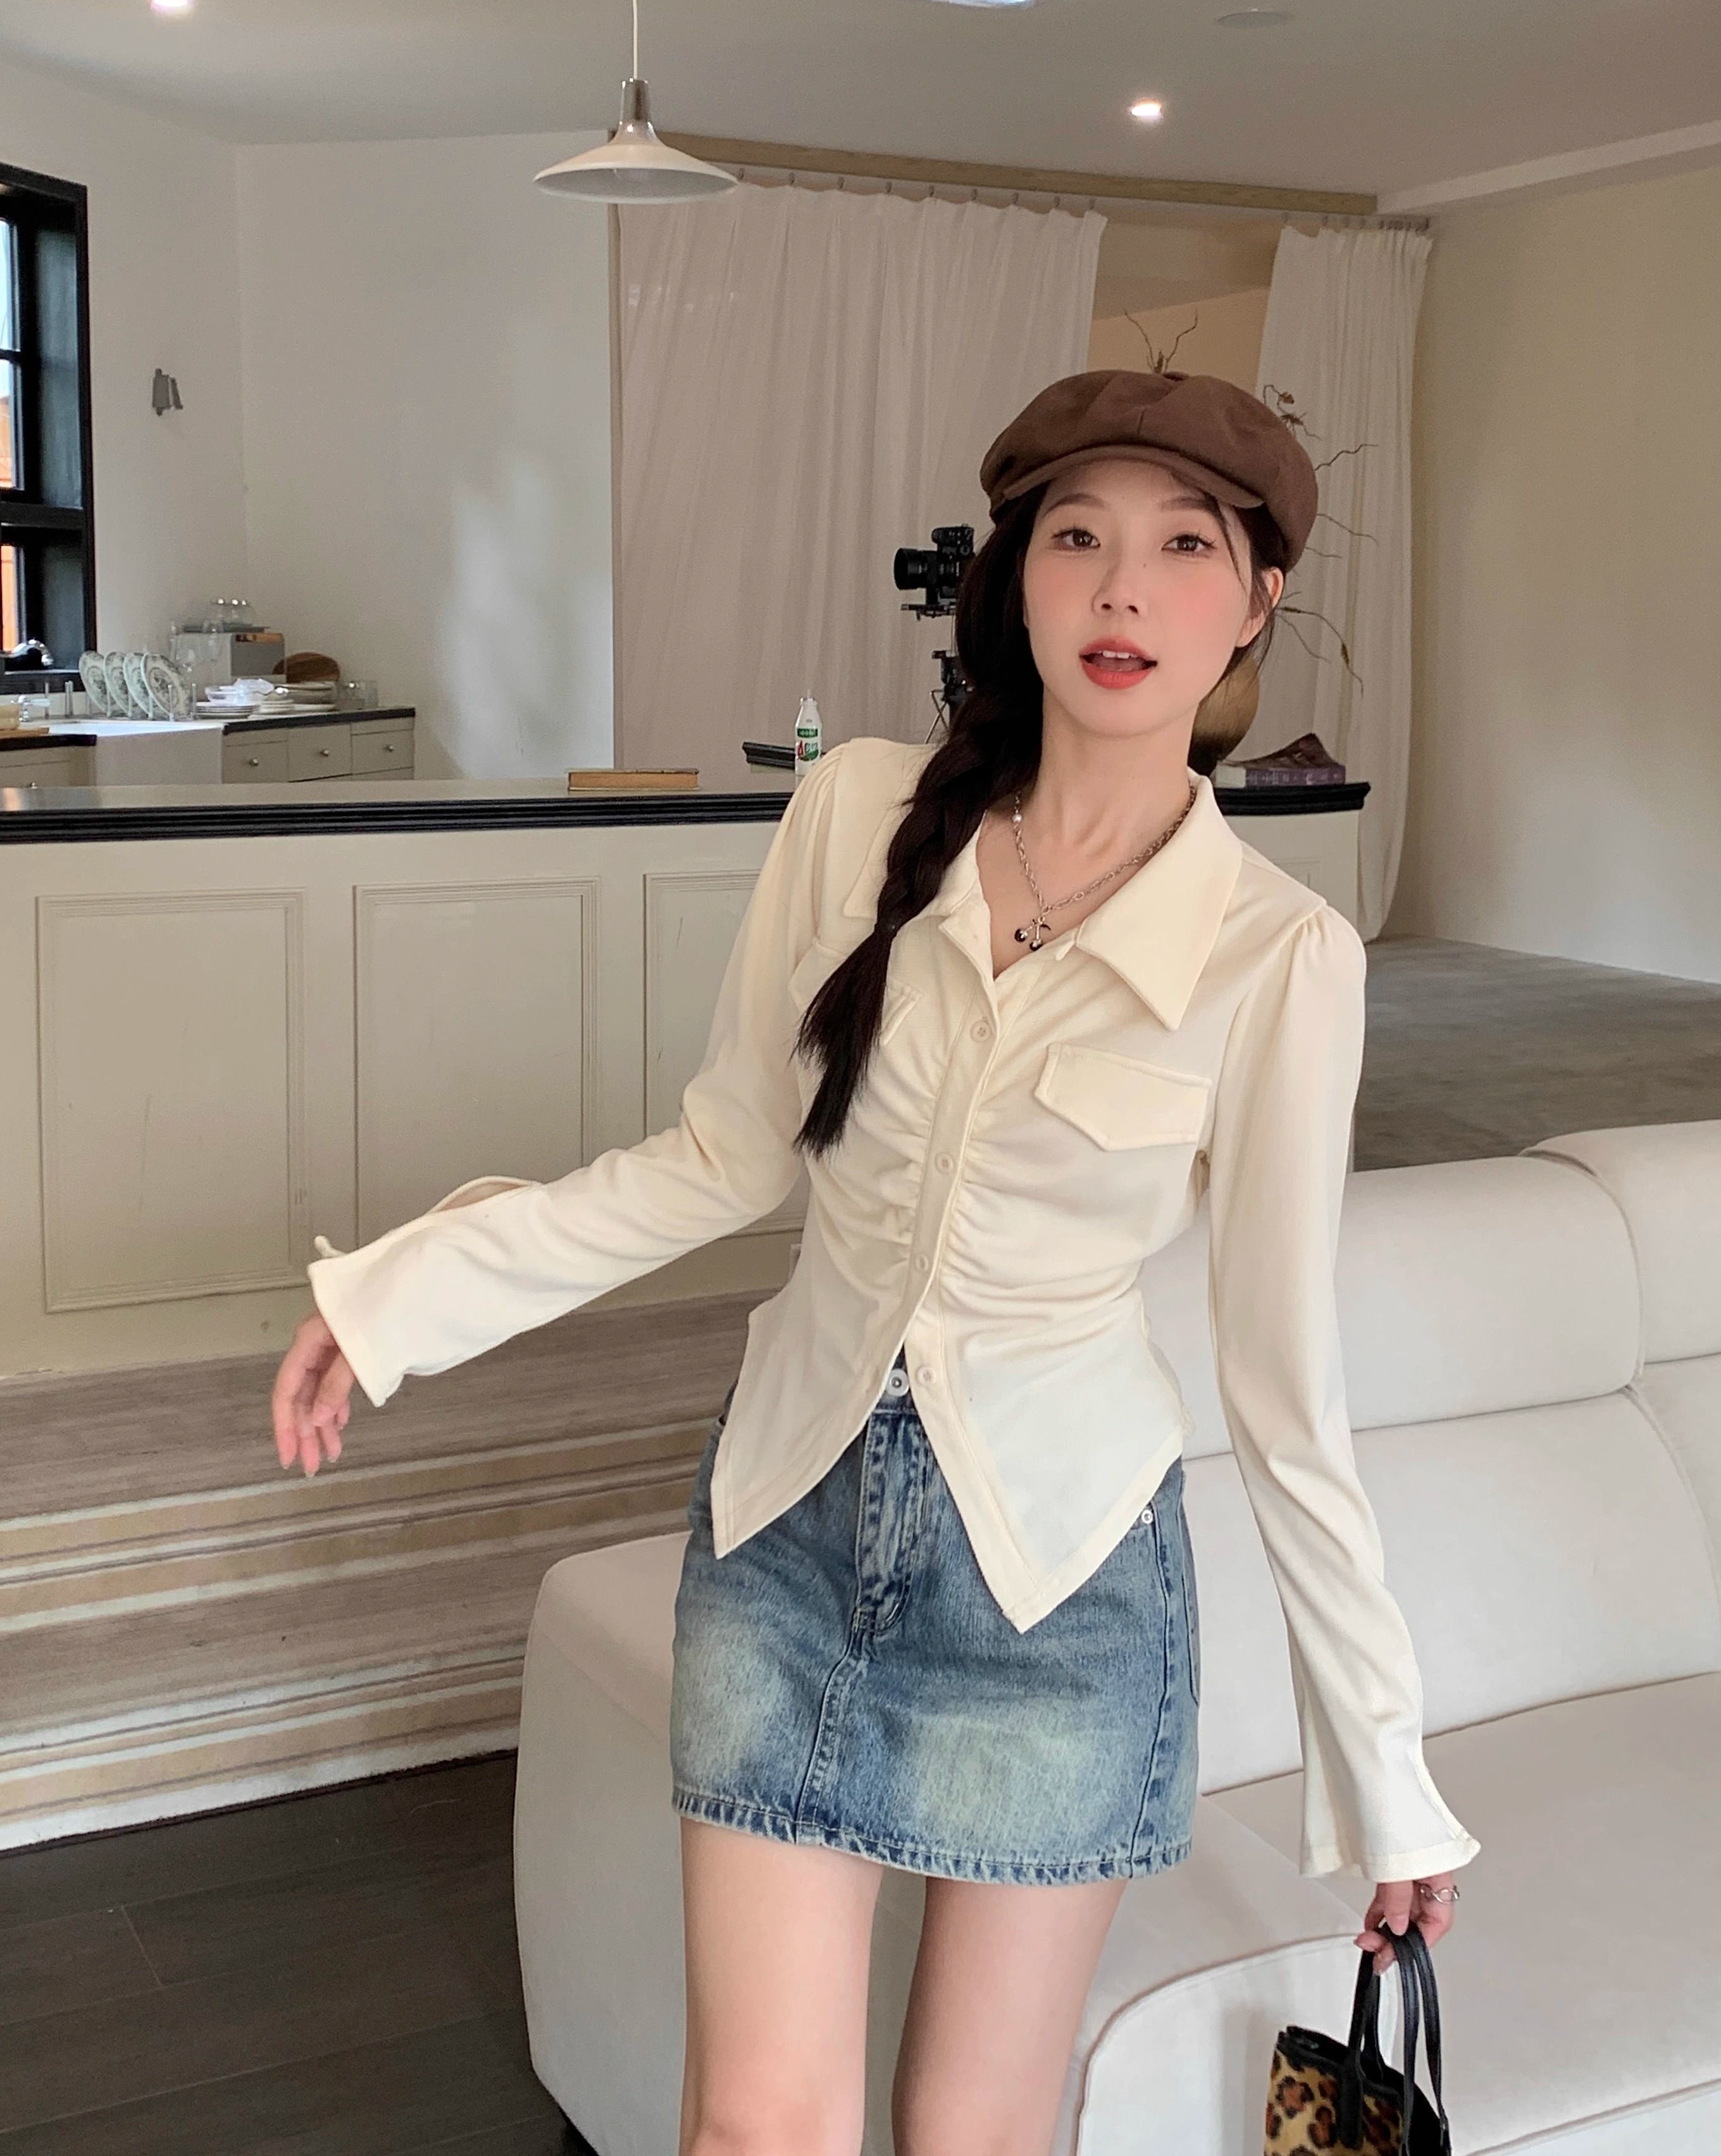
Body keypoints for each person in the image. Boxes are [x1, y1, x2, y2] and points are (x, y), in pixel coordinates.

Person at [272, 368, 1477, 2156]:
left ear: (1256, 600)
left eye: (1182, 547)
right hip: (786, 1529)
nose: (1121, 590)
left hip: (1061, 1592)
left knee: (967, 2137)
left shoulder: (1281, 956)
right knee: (752, 2131)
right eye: (1076, 539)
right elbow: (721, 1157)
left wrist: (1387, 1778)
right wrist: (400, 1300)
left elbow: (1285, 1389)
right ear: (1018, 579)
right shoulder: (857, 813)